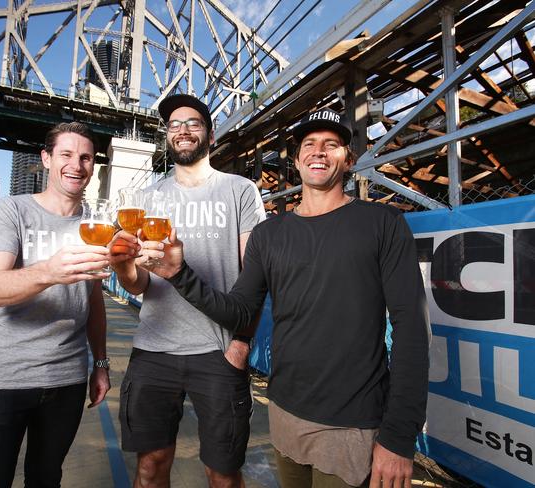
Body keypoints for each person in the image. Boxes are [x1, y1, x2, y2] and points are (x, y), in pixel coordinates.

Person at [140, 108, 430, 488]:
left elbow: (412, 330)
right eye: (309, 144)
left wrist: (398, 437)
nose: (319, 151)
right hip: (285, 414)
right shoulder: (269, 234)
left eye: (331, 144)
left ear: (348, 158)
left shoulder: (382, 224)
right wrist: (180, 275)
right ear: (296, 161)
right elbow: (241, 311)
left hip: (353, 423)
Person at [110, 94, 266, 488]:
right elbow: (140, 284)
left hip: (218, 350)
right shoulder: (147, 199)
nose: (182, 130)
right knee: (150, 466)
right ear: (167, 136)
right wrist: (122, 267)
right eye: (174, 124)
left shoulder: (240, 191)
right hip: (155, 348)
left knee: (223, 473)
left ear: (209, 134)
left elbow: (256, 276)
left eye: (192, 123)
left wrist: (242, 343)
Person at [0, 122, 112, 487]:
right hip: (1, 379)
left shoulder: (95, 226)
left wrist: (102, 363)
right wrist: (49, 271)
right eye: (66, 154)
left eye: (86, 157)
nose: (76, 165)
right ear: (46, 159)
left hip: (67, 380)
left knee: (46, 480)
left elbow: (92, 298)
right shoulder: (10, 211)